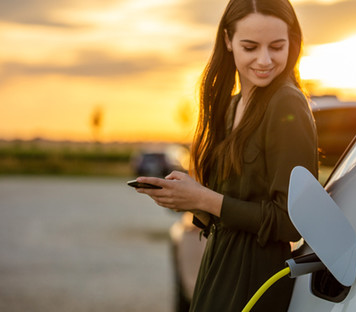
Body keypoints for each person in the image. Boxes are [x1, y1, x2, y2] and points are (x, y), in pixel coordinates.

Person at [134, 0, 318, 311]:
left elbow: (291, 223)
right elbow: (231, 208)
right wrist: (189, 198)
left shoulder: (286, 104)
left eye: (277, 46)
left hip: (255, 280)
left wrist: (204, 200)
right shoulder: (232, 106)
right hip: (218, 267)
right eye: (250, 47)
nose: (264, 60)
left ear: (292, 43)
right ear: (228, 41)